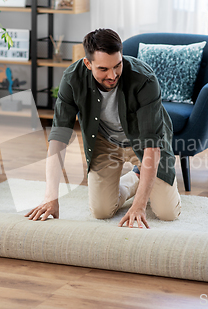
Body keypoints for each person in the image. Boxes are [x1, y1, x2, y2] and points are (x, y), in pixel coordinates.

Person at [25, 28, 181, 228]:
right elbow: (58, 139)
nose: (113, 75)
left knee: (167, 213)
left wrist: (139, 205)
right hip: (105, 141)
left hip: (143, 143)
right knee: (101, 212)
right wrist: (50, 196)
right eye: (103, 69)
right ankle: (136, 177)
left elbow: (152, 146)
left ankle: (149, 183)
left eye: (117, 65)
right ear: (88, 64)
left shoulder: (144, 79)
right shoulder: (72, 79)